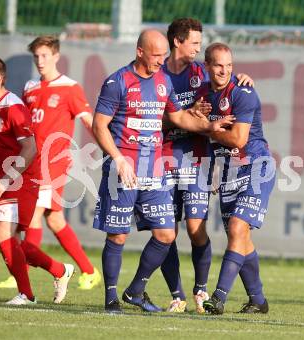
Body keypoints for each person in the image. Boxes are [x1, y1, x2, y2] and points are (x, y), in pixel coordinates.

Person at [92, 29, 234, 313]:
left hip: (154, 169)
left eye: (162, 56)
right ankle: (110, 299)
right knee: (118, 236)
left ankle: (134, 291)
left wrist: (209, 128)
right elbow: (99, 125)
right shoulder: (117, 81)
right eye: (155, 56)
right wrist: (118, 158)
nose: (160, 61)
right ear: (139, 51)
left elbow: (176, 117)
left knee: (166, 234)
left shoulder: (162, 81)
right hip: (124, 169)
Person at [161, 18, 254, 313]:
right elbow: (147, 111)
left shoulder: (202, 70)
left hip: (197, 157)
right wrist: (183, 114)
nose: (199, 49)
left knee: (195, 227)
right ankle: (177, 295)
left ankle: (201, 290)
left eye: (201, 45)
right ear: (178, 42)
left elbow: (224, 76)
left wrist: (244, 79)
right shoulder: (157, 74)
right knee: (165, 230)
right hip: (163, 156)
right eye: (195, 43)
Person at [0, 36, 101, 291]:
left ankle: (21, 271)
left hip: (54, 162)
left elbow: (88, 120)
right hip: (31, 162)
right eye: (36, 56)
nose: (40, 61)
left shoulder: (70, 87)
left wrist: (104, 146)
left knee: (33, 216)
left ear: (56, 56)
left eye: (45, 56)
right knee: (54, 219)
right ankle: (88, 271)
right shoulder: (30, 87)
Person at [0, 56, 74, 305]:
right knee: (16, 243)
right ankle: (60, 271)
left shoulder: (14, 108)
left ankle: (27, 295)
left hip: (24, 180)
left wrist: (6, 181)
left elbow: (29, 149)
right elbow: (3, 152)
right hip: (10, 179)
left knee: (3, 233)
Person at [196, 43, 275, 314]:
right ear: (207, 66)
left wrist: (208, 129)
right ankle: (258, 300)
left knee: (238, 229)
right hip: (229, 171)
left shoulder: (243, 92)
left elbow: (238, 138)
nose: (225, 70)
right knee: (241, 239)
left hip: (255, 166)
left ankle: (218, 298)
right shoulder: (202, 95)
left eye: (229, 65)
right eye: (219, 65)